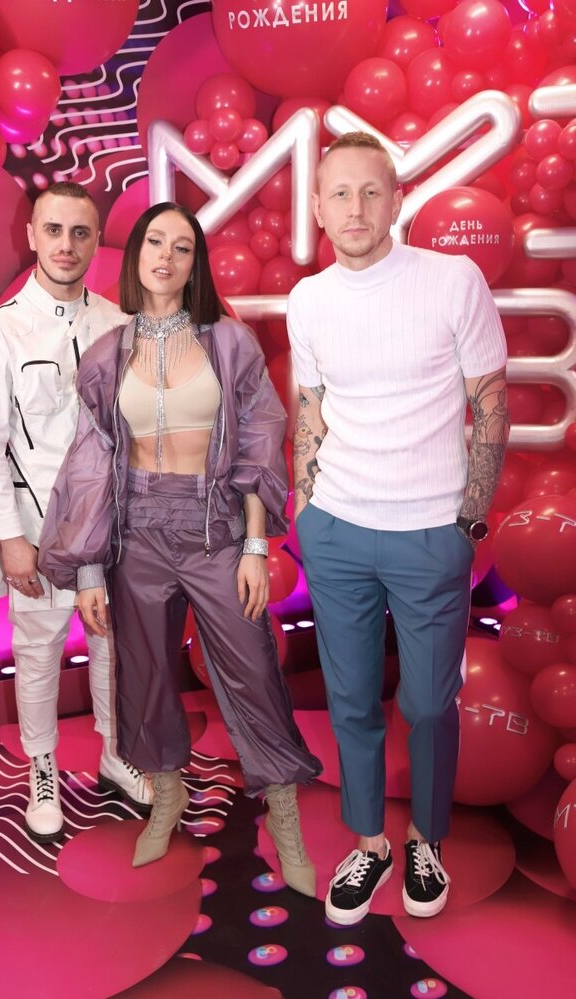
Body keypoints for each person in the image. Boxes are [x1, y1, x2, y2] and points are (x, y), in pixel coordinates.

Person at [38, 201, 322, 894]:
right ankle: (167, 797)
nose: (166, 256)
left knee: (253, 669)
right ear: (136, 254)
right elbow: (91, 465)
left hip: (216, 529)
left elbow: (259, 439)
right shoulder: (107, 354)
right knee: (144, 674)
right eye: (155, 242)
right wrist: (90, 568)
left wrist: (255, 544)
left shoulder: (229, 342)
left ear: (196, 265)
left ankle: (284, 816)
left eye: (183, 247)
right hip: (136, 534)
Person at [287, 132, 509, 923]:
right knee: (350, 700)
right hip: (337, 531)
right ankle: (369, 842)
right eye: (339, 193)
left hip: (429, 533)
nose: (355, 207)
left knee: (430, 703)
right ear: (318, 209)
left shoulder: (452, 280)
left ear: (397, 200)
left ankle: (425, 838)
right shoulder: (308, 300)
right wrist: (306, 509)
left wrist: (468, 518)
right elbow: (309, 411)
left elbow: (490, 402)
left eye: (370, 191)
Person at [0, 181, 152, 845]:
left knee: (114, 645)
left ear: (95, 239)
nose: (66, 245)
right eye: (54, 230)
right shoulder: (0, 329)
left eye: (79, 232)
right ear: (32, 236)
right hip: (38, 526)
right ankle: (41, 767)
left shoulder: (118, 324)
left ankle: (115, 752)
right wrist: (9, 537)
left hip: (111, 526)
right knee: (39, 650)